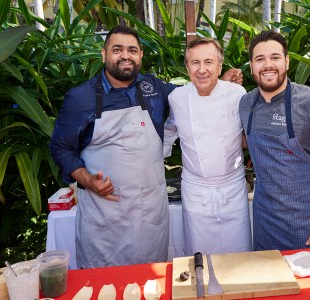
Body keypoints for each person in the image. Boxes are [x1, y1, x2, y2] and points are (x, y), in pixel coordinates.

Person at [49, 25, 242, 268]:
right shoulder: (81, 98)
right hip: (105, 219)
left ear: (140, 55)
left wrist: (218, 83)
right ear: (104, 54)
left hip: (149, 218)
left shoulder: (153, 89)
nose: (125, 56)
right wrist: (87, 180)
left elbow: (194, 94)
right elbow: (60, 148)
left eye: (132, 50)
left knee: (151, 283)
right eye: (117, 49)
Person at [239, 30, 310, 251]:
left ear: (287, 62)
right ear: (251, 66)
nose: (267, 65)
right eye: (260, 59)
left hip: (307, 223)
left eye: (275, 57)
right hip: (264, 221)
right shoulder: (245, 103)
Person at [164, 38, 252, 256]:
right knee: (199, 261)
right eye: (195, 63)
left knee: (239, 259)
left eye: (208, 62)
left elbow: (247, 136)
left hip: (232, 190)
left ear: (220, 66)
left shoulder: (237, 94)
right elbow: (167, 134)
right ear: (187, 67)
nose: (201, 70)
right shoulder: (177, 98)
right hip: (196, 194)